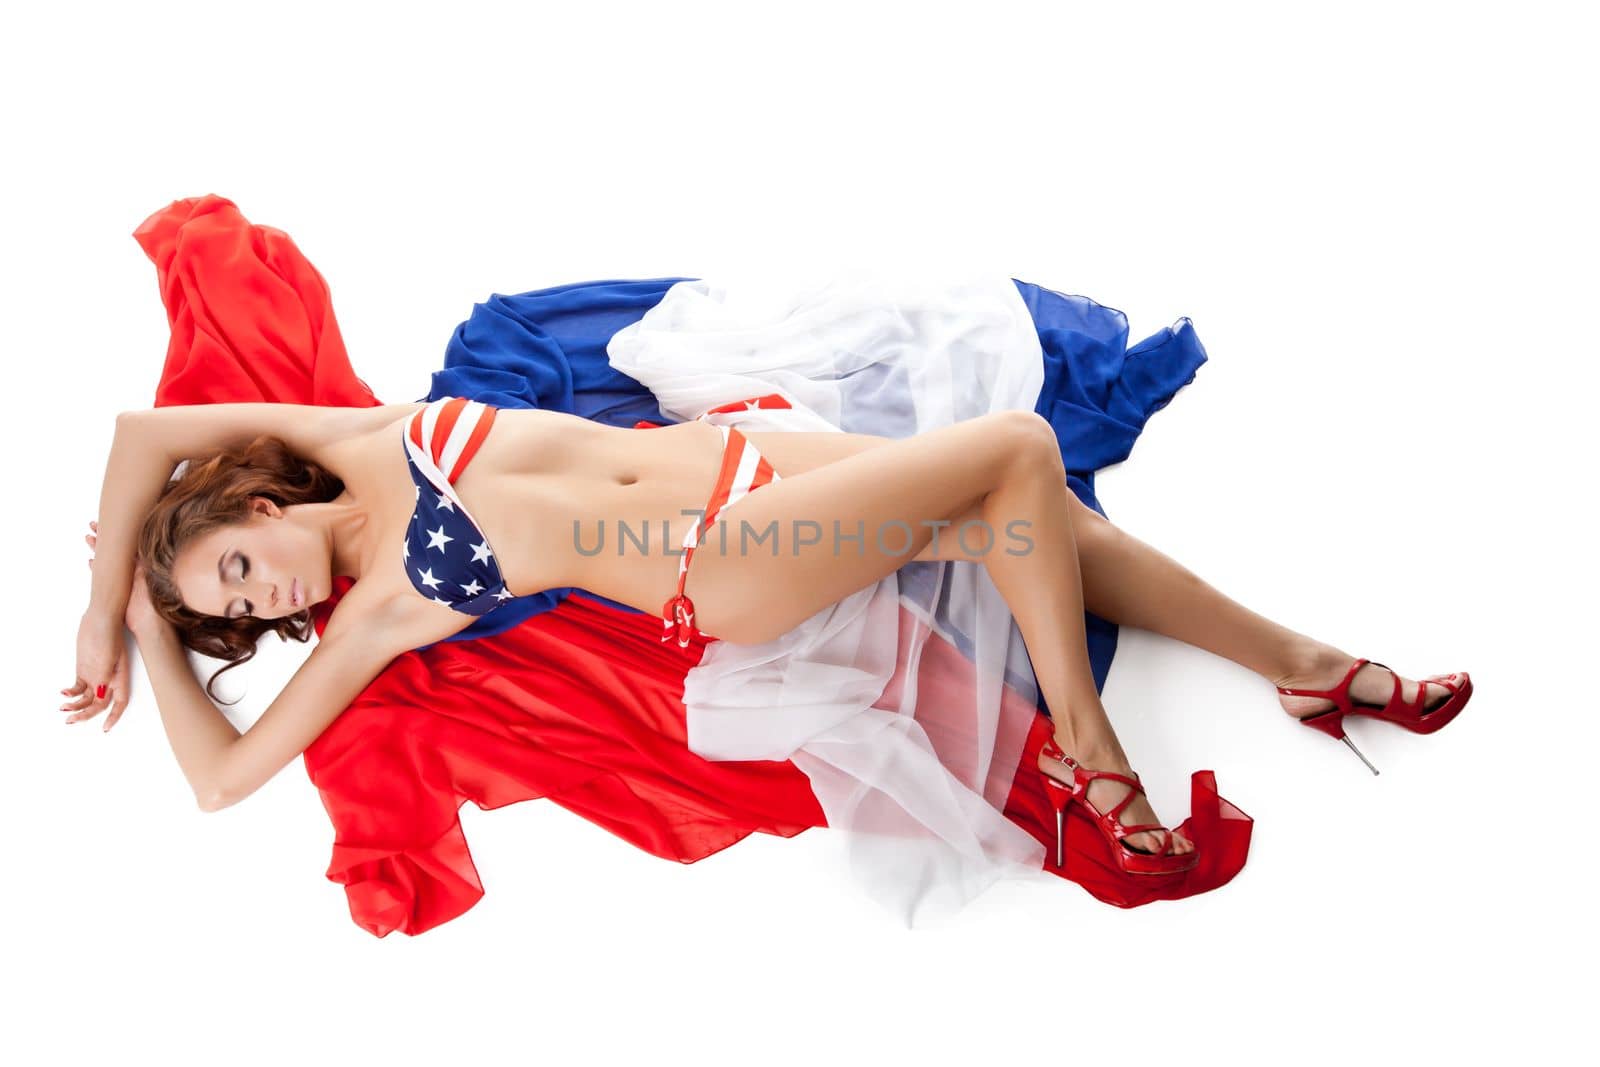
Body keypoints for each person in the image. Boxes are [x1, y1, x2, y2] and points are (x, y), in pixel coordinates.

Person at [66, 391, 1471, 874]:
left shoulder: (348, 440)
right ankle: (1085, 744)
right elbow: (219, 781)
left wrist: (97, 598)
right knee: (1016, 450)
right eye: (236, 610)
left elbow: (139, 432)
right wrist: (147, 620)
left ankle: (1300, 671)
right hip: (726, 563)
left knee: (1044, 525)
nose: (254, 598)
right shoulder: (373, 613)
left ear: (254, 494)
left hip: (748, 464)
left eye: (235, 562)